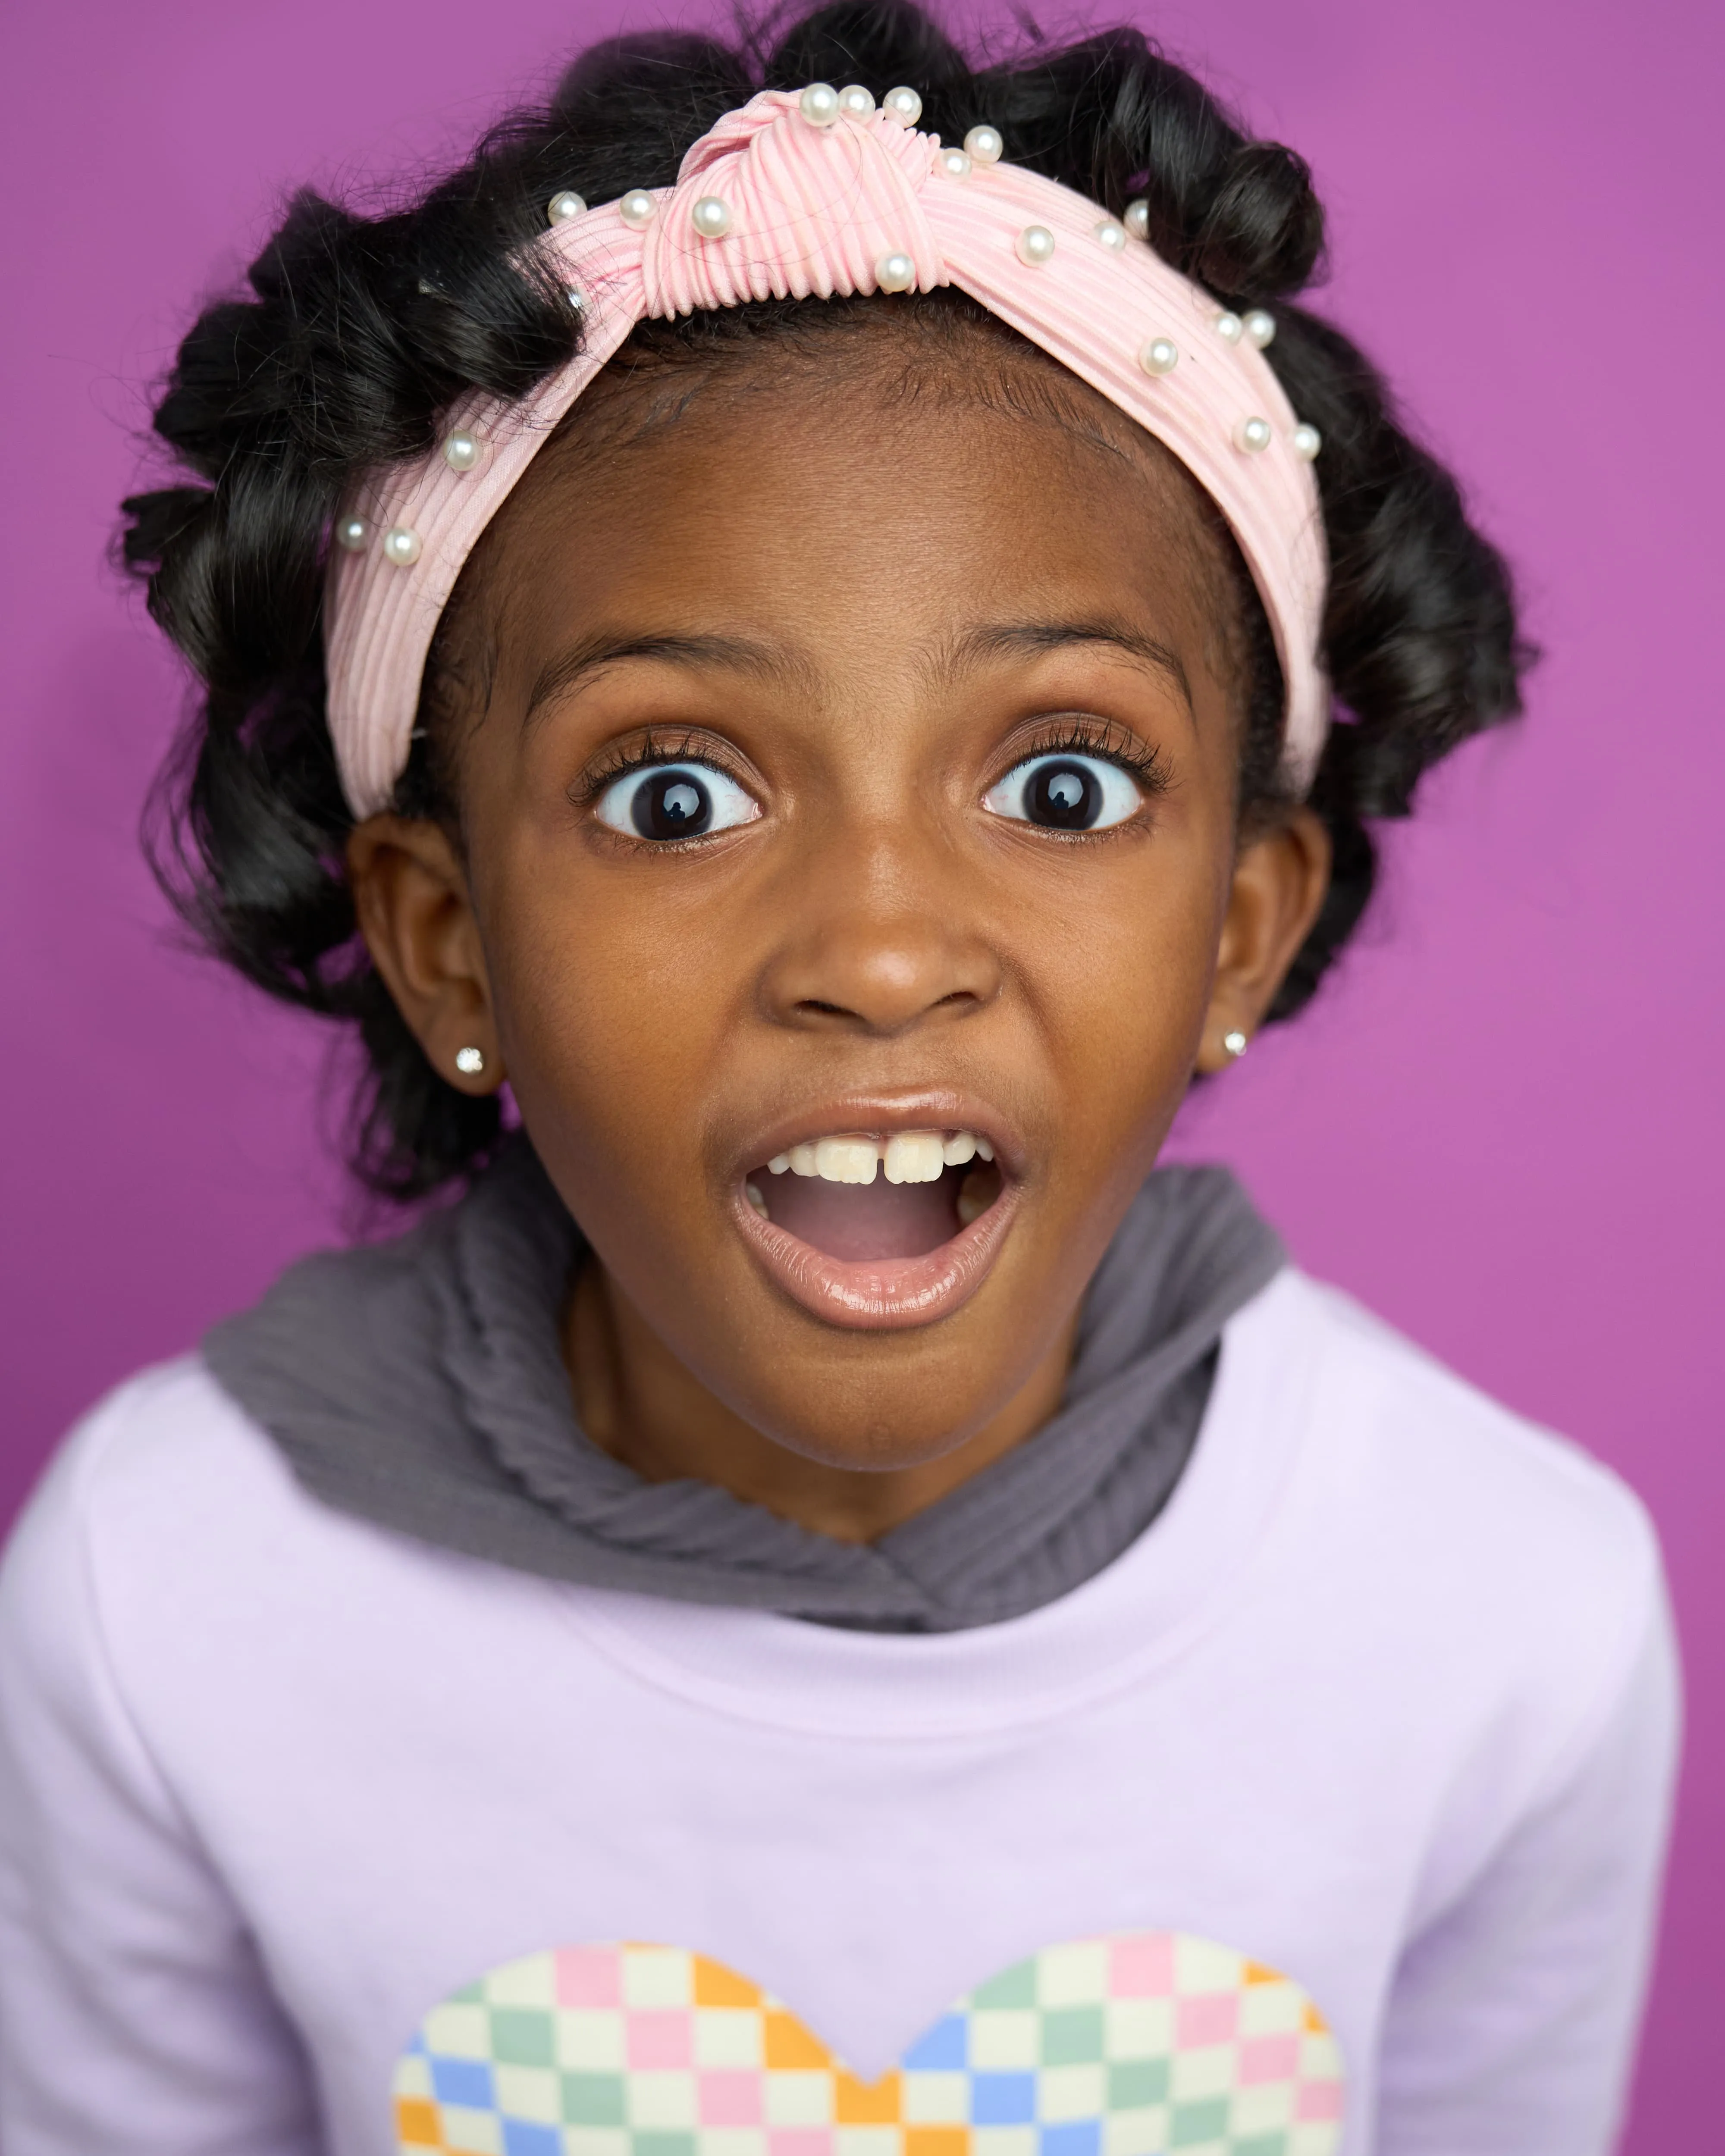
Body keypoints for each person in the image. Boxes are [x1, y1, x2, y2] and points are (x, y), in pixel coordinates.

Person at [0, 5, 1677, 2151]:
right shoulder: (172, 1592)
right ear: (448, 946)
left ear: (1241, 927)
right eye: (675, 794)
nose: (881, 948)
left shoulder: (1504, 1609)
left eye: (1061, 780)